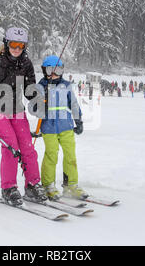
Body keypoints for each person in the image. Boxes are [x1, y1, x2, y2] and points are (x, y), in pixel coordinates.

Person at [0, 27, 47, 206]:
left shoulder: (25, 63)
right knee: (11, 148)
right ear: (6, 44)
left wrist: (37, 99)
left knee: (27, 147)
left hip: (17, 110)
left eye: (21, 45)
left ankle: (32, 184)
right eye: (13, 44)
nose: (17, 49)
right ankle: (8, 187)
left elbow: (29, 88)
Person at [34, 55, 87, 201]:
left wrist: (78, 120)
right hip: (48, 127)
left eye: (57, 69)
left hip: (66, 126)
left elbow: (74, 104)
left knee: (70, 155)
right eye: (50, 69)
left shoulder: (66, 85)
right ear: (44, 70)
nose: (54, 73)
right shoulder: (40, 86)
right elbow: (32, 108)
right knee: (51, 155)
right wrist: (40, 104)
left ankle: (71, 185)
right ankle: (48, 185)